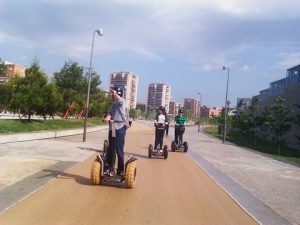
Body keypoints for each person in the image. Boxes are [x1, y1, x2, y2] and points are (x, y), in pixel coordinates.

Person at [103, 86, 127, 176]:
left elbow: (119, 100)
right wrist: (107, 118)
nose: (112, 95)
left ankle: (121, 170)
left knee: (119, 149)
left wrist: (115, 93)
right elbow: (110, 113)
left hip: (120, 127)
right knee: (111, 148)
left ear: (118, 93)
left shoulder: (122, 101)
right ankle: (109, 167)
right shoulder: (113, 104)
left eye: (114, 94)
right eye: (112, 94)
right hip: (113, 126)